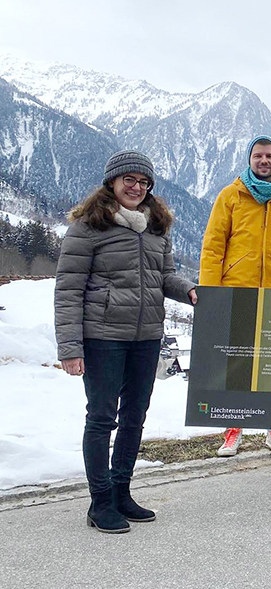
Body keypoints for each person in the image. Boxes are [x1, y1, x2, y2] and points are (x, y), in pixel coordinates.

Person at [55, 150, 197, 534]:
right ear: (113, 183)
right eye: (129, 180)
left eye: (144, 182)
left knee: (135, 417)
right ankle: (100, 501)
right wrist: (70, 347)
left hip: (147, 335)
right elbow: (68, 290)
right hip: (102, 337)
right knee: (102, 418)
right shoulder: (87, 227)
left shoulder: (155, 227)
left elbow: (165, 277)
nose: (136, 188)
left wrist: (191, 291)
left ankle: (122, 492)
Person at [199, 135, 271, 461]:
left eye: (270, 157)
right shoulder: (230, 196)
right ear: (250, 160)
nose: (264, 161)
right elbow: (213, 247)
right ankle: (233, 430)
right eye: (259, 156)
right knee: (236, 366)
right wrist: (212, 295)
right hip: (237, 291)